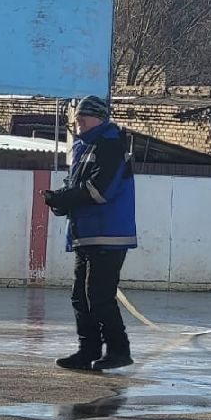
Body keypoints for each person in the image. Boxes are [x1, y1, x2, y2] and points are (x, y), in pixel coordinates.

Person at [41, 95, 138, 372]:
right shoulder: (86, 146)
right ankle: (88, 350)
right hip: (87, 233)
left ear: (100, 118)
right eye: (77, 116)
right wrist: (61, 201)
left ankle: (119, 350)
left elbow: (100, 190)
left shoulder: (109, 144)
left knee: (99, 295)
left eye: (84, 116)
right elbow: (81, 188)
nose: (78, 121)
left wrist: (64, 199)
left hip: (108, 234)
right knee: (80, 296)